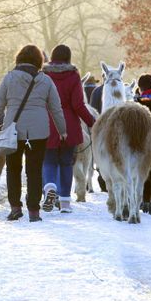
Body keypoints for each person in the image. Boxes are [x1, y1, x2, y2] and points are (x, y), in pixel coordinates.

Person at [0, 45, 67, 222]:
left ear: (19, 59)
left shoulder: (9, 78)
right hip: (39, 131)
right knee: (35, 171)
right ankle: (34, 212)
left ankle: (15, 208)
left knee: (13, 169)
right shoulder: (46, 81)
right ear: (39, 61)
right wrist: (62, 130)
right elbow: (56, 109)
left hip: (13, 130)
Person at [41, 45, 95, 213]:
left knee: (48, 160)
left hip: (48, 123)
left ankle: (50, 187)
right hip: (69, 124)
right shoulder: (73, 76)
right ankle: (65, 202)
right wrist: (92, 122)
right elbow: (78, 105)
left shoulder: (43, 75)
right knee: (66, 162)